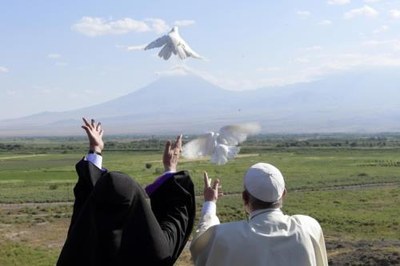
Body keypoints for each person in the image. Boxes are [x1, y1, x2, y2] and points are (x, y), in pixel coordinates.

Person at [57, 118, 195, 266]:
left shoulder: (82, 242)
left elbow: (85, 200)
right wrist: (170, 170)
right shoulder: (154, 251)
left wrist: (95, 150)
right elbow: (176, 217)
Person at [190, 163, 328, 266]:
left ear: (245, 198)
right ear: (283, 194)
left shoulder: (225, 236)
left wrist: (210, 203)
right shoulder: (308, 227)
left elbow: (200, 246)